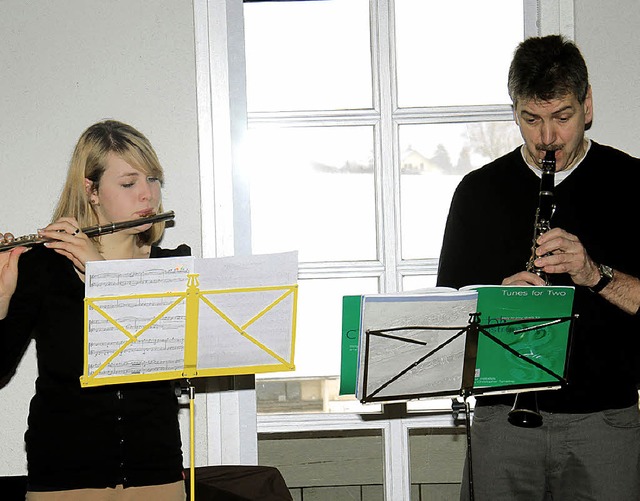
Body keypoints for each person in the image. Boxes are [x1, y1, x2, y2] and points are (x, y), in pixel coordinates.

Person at [437, 35, 640, 500]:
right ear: (515, 112)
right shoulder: (477, 192)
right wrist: (499, 301)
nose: (547, 137)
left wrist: (594, 274)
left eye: (561, 118)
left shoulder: (632, 183)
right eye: (531, 119)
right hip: (504, 419)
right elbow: (449, 318)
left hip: (605, 420)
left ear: (586, 105)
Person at [0, 120, 189, 500]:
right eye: (128, 183)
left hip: (157, 474)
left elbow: (170, 359)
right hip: (64, 477)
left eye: (152, 180)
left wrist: (101, 278)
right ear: (92, 190)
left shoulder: (175, 266)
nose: (146, 196)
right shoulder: (43, 267)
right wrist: (2, 297)